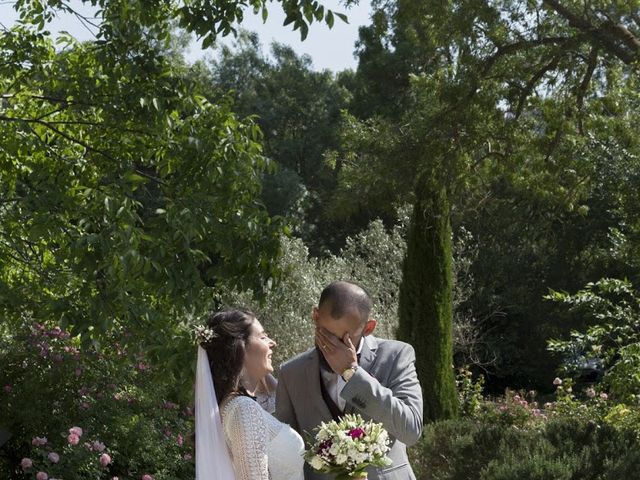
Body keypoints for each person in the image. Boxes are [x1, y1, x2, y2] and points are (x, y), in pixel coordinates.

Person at [276, 281, 423, 480]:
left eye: (344, 339)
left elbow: (411, 430)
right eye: (325, 334)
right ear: (316, 316)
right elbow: (284, 452)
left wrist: (351, 374)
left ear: (368, 328)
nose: (332, 347)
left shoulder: (397, 356)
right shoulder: (291, 373)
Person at [195, 309, 305, 480]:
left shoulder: (237, 406)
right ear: (240, 348)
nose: (272, 342)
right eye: (263, 337)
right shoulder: (245, 409)